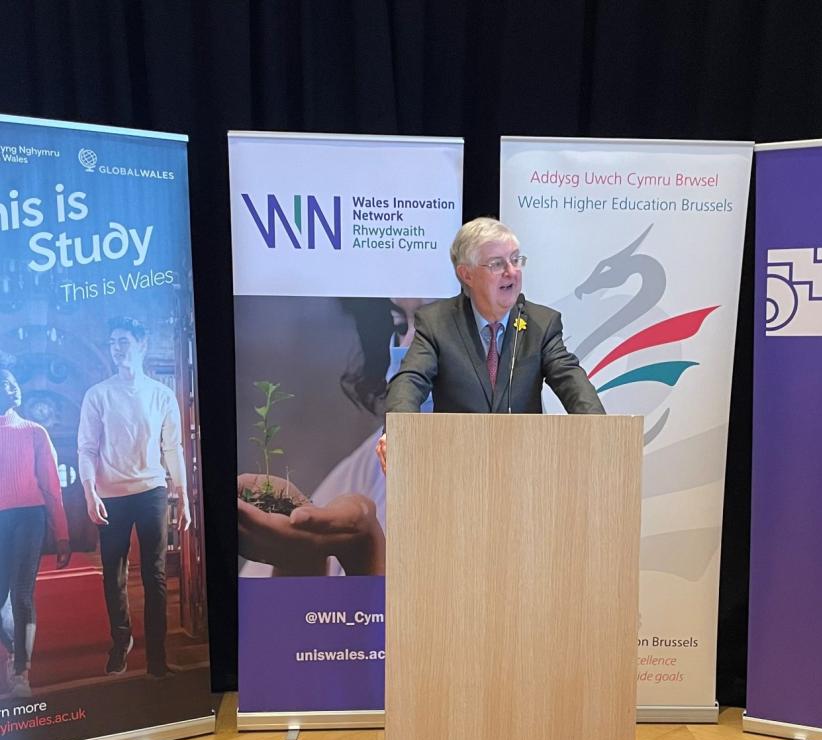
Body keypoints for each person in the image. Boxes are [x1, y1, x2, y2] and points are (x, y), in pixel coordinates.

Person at [376, 217, 604, 471]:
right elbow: (410, 380)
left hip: (525, 470)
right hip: (455, 468)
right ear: (467, 274)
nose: (511, 271)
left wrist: (599, 432)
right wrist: (398, 432)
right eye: (497, 264)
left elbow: (570, 378)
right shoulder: (436, 322)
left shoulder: (542, 323)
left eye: (516, 260)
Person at [238, 297, 433, 578]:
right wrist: (301, 558)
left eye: (436, 324)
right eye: (401, 325)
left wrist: (365, 555)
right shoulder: (379, 457)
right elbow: (275, 612)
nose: (405, 348)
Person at [78, 318, 191, 678]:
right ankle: (121, 640)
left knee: (155, 574)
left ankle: (157, 657)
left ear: (141, 344)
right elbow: (86, 448)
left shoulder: (161, 394)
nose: (118, 348)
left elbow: (172, 447)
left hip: (152, 491)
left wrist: (183, 494)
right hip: (111, 494)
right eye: (113, 342)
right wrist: (89, 490)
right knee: (113, 573)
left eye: (124, 341)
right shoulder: (98, 394)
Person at [0, 367, 71, 698]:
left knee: (22, 592)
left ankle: (21, 674)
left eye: (11, 383)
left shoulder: (34, 432)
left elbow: (52, 486)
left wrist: (63, 534)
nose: (9, 389)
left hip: (29, 518)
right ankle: (14, 651)